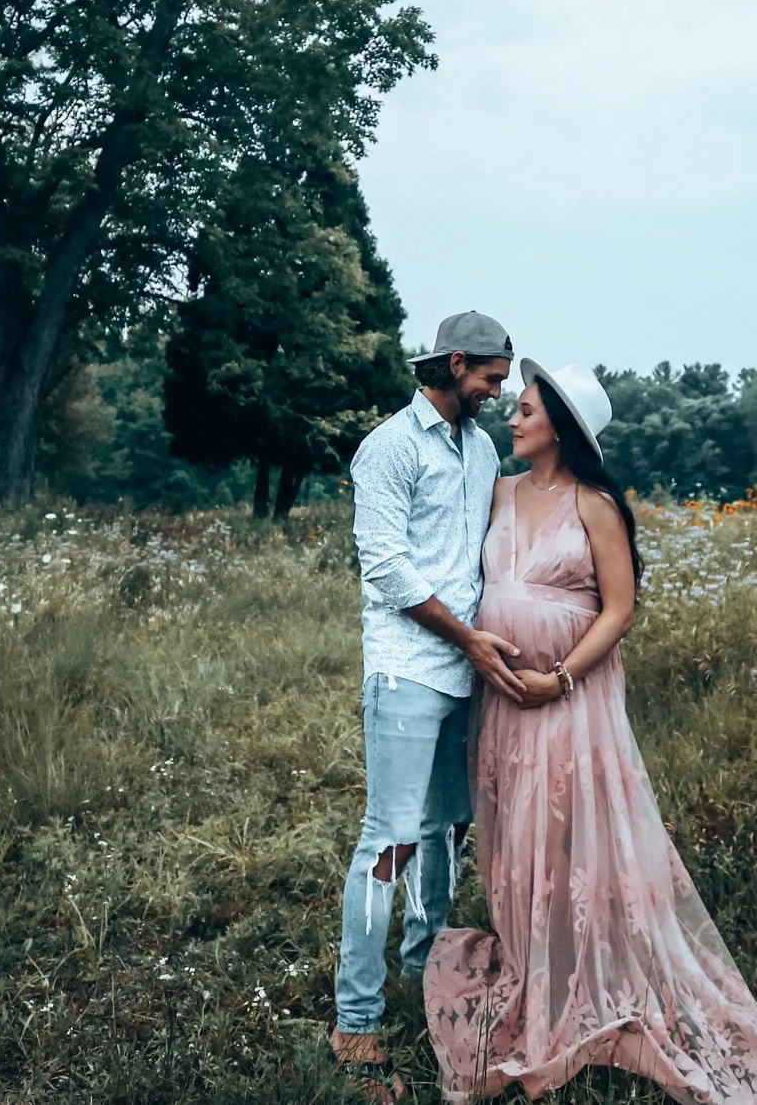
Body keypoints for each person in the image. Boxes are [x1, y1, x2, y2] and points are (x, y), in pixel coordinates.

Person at [425, 361, 757, 1104]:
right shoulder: (500, 493)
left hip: (569, 700)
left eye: (527, 411)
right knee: (516, 842)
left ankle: (591, 971)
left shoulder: (597, 504)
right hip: (504, 701)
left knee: (574, 835)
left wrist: (563, 674)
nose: (512, 420)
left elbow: (618, 608)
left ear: (562, 428)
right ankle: (535, 963)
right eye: (512, 407)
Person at [334, 311, 530, 1103]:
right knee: (391, 839)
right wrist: (469, 638)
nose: (497, 391)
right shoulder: (390, 445)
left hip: (466, 673)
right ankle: (354, 1021)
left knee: (447, 826)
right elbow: (385, 566)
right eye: (490, 376)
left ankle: (426, 964)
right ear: (455, 363)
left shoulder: (480, 449)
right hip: (410, 670)